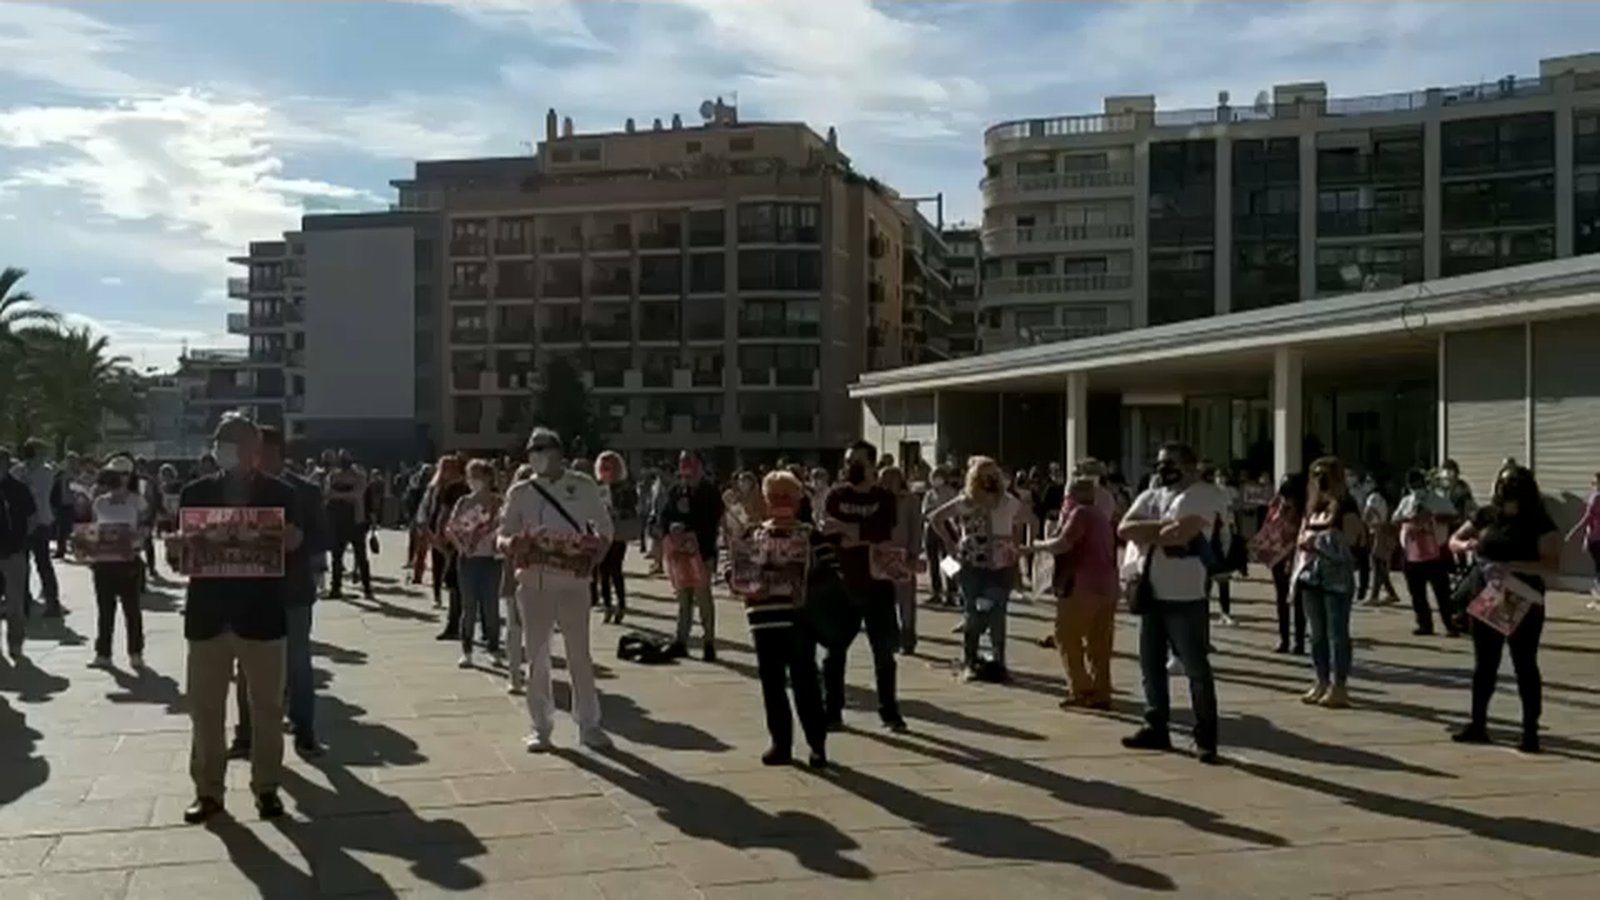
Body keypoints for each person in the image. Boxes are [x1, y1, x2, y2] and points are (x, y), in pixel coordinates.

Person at [176, 415, 302, 823]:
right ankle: (208, 791)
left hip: (261, 616)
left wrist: (292, 539)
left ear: (254, 450)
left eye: (231, 441)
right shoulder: (195, 493)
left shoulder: (281, 493)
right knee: (205, 709)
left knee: (267, 708)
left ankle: (267, 788)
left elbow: (306, 540)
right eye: (219, 440)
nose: (223, 448)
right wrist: (175, 548)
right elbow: (181, 557)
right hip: (208, 617)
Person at [498, 427, 614, 751]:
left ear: (558, 452)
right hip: (534, 583)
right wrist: (511, 543)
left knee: (579, 655)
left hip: (574, 581)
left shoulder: (582, 485)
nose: (536, 454)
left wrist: (597, 550)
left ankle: (589, 724)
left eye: (542, 449)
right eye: (532, 450)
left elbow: (604, 526)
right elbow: (502, 533)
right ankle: (540, 727)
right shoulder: (521, 491)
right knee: (537, 656)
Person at [1117, 441, 1225, 764]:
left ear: (1191, 466)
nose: (1163, 469)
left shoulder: (1205, 494)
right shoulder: (1152, 495)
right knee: (1151, 665)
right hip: (1151, 593)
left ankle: (1206, 736)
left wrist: (1153, 531)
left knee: (1195, 668)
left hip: (1186, 596)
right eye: (1160, 463)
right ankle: (1156, 724)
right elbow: (1124, 528)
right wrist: (1163, 529)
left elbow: (1178, 535)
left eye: (1171, 463)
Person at [1448, 465, 1560, 754]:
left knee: (1524, 664)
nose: (1507, 493)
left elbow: (1551, 563)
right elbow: (1454, 541)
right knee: (1485, 664)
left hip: (1520, 592)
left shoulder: (1539, 522)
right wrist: (1469, 544)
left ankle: (1530, 732)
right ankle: (1478, 724)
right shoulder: (1487, 515)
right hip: (1491, 592)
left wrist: (1511, 566)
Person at [233, 426, 330, 760]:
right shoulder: (238, 488)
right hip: (249, 594)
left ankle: (304, 730)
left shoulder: (305, 490)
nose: (256, 458)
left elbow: (320, 538)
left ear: (277, 453)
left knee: (298, 663)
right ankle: (245, 736)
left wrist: (299, 542)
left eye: (262, 451)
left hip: (293, 591)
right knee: (246, 666)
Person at [726, 470, 831, 768]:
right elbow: (732, 568)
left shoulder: (809, 535)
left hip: (793, 618)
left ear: (798, 500)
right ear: (766, 500)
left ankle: (812, 744)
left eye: (786, 496)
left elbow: (830, 570)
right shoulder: (754, 533)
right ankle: (786, 743)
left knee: (801, 682)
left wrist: (806, 577)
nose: (781, 502)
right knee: (779, 683)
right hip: (768, 618)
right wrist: (740, 582)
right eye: (775, 496)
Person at [820, 440, 906, 732]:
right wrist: (856, 534)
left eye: (856, 461)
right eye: (847, 461)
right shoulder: (835, 494)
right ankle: (832, 711)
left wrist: (847, 529)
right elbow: (831, 535)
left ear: (871, 464)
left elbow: (881, 534)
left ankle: (889, 712)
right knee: (834, 652)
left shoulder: (884, 498)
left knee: (884, 654)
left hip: (878, 584)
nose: (850, 467)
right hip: (842, 583)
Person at [927, 456, 1021, 682]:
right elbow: (935, 518)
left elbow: (1028, 520)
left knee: (997, 613)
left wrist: (1016, 547)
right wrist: (950, 544)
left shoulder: (1007, 501)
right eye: (984, 476)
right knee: (972, 612)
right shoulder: (966, 502)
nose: (990, 480)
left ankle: (999, 662)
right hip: (971, 564)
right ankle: (970, 660)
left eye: (994, 475)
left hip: (1000, 566)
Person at [1031, 476, 1118, 709]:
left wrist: (1036, 545)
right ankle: (1101, 691)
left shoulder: (1080, 514)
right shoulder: (1101, 516)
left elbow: (1063, 544)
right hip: (1108, 584)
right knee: (1099, 641)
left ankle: (1080, 687)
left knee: (1066, 635)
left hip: (1081, 584)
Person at [1294, 456, 1363, 710]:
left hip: (1336, 576)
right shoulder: (1312, 505)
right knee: (1316, 634)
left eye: (1325, 475)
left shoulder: (1346, 505)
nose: (1320, 480)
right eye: (1315, 475)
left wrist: (1321, 541)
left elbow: (1353, 540)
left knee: (1337, 633)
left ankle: (1340, 685)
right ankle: (1321, 680)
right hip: (1310, 573)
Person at [658, 451, 724, 661]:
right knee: (683, 598)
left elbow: (711, 520)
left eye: (690, 463)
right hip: (680, 554)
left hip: (702, 552)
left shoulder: (710, 491)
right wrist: (669, 527)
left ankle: (709, 642)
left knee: (703, 597)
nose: (686, 467)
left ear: (700, 466)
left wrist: (687, 527)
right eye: (682, 463)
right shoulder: (676, 490)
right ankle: (681, 640)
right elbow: (665, 515)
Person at [85, 457, 148, 669]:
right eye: (115, 475)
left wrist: (137, 538)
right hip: (103, 563)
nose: (119, 479)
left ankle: (136, 651)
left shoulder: (137, 501)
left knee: (132, 609)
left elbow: (146, 526)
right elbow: (92, 529)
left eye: (123, 475)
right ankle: (103, 653)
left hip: (128, 562)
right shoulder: (99, 502)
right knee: (105, 610)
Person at [448, 458, 504, 668]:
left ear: (488, 478)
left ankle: (493, 648)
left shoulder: (498, 502)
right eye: (471, 477)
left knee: (491, 607)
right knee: (468, 606)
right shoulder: (463, 502)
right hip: (468, 560)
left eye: (477, 476)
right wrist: (462, 547)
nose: (473, 481)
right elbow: (451, 528)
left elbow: (506, 526)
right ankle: (467, 650)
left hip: (491, 560)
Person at [877, 465, 923, 655]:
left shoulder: (909, 500)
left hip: (903, 553)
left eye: (891, 479)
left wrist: (914, 552)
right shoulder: (876, 499)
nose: (887, 483)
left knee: (906, 600)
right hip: (881, 554)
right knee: (884, 600)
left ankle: (908, 637)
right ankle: (892, 636)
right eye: (883, 479)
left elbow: (916, 526)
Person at [12, 439, 60, 617]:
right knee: (21, 565)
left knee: (43, 564)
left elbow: (35, 491)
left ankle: (52, 602)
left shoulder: (46, 472)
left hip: (40, 522)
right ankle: (24, 602)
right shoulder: (17, 470)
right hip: (21, 524)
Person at [0, 445, 37, 662]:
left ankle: (15, 643)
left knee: (15, 603)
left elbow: (32, 518)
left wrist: (21, 540)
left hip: (13, 552)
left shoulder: (18, 489)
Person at [427, 456, 470, 639]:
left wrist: (441, 534)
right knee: (454, 584)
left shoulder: (457, 488)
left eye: (449, 468)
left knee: (457, 584)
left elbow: (444, 515)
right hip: (453, 539)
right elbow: (434, 510)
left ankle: (457, 626)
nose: (445, 472)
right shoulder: (440, 487)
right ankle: (456, 625)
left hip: (459, 540)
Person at [591, 451, 636, 625]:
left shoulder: (625, 488)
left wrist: (619, 512)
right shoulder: (597, 488)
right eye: (603, 466)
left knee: (615, 569)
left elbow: (632, 510)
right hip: (602, 531)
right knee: (602, 570)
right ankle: (608, 606)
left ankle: (621, 605)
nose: (606, 470)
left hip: (618, 532)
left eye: (610, 466)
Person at [324, 451, 373, 600]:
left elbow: (357, 494)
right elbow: (327, 493)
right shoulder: (333, 475)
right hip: (337, 521)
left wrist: (338, 494)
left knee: (361, 556)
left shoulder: (359, 476)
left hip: (355, 521)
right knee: (336, 557)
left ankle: (367, 588)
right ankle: (335, 588)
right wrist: (346, 494)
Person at [920, 466, 958, 605]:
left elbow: (954, 510)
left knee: (948, 561)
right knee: (933, 561)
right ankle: (936, 591)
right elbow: (925, 512)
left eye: (937, 476)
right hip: (931, 527)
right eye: (932, 477)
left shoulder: (950, 492)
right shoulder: (929, 494)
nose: (934, 480)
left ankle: (952, 592)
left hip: (946, 526)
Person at [1563, 471, 1600, 608]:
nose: (1593, 485)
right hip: (1595, 538)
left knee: (1598, 569)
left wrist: (1572, 532)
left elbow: (1586, 519)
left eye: (1594, 483)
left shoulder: (1595, 498)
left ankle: (1598, 599)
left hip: (1596, 539)